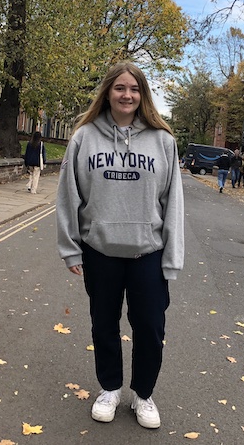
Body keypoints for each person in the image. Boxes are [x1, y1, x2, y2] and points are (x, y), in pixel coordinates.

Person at [56, 61, 184, 430]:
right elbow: (68, 197)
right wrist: (70, 247)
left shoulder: (163, 141)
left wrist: (172, 258)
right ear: (108, 93)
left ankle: (143, 394)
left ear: (142, 95)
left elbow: (173, 203)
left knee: (149, 327)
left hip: (148, 252)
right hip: (101, 252)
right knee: (103, 325)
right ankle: (110, 388)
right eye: (119, 88)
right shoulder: (84, 137)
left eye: (134, 89)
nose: (127, 95)